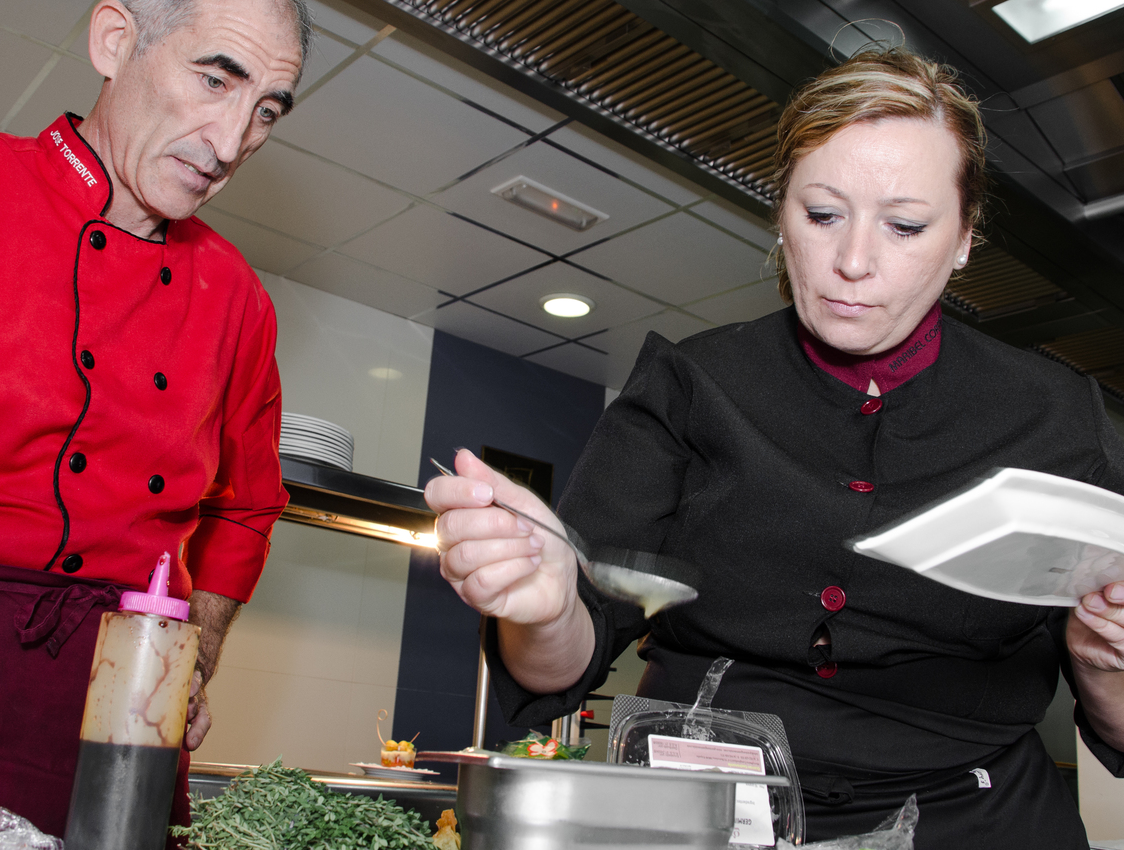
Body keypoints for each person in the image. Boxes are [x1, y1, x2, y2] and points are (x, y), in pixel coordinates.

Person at [425, 47, 1124, 848]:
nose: (853, 262)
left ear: (965, 237)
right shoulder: (690, 384)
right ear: (780, 212)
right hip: (711, 809)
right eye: (822, 215)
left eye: (904, 226)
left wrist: (1107, 664)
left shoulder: (1056, 413)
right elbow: (560, 663)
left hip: (978, 817)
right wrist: (546, 610)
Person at [0, 0, 311, 836]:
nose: (229, 145)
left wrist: (191, 659)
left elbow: (246, 509)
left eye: (264, 112)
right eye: (215, 78)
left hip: (129, 718)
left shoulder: (240, 299)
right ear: (114, 40)